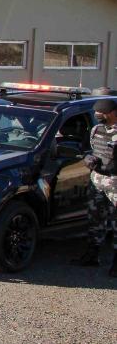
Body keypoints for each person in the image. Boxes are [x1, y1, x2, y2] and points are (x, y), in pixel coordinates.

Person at [70, 99, 117, 276]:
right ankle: (92, 255)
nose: (98, 116)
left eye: (102, 113)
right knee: (95, 218)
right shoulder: (97, 130)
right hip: (97, 180)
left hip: (115, 182)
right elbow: (90, 150)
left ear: (113, 113)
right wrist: (88, 158)